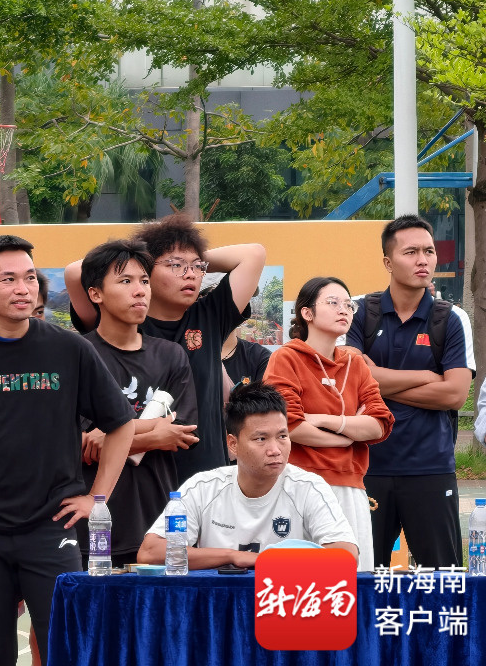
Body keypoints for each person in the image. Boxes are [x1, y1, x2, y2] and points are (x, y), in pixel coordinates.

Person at [0, 235, 136, 666]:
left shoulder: (69, 349)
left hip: (51, 527)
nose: (23, 289)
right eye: (8, 279)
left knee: (65, 648)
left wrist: (97, 498)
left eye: (29, 278)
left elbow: (121, 422)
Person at [66, 215, 265, 483]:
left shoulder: (210, 315)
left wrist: (187, 256)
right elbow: (74, 272)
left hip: (204, 476)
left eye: (197, 266)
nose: (190, 274)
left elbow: (254, 254)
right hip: (132, 478)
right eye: (175, 265)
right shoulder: (123, 320)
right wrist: (141, 258)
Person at [346, 215, 474, 568]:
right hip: (364, 468)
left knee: (442, 579)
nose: (423, 260)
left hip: (430, 467)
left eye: (429, 251)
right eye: (411, 252)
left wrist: (375, 384)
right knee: (361, 577)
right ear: (388, 262)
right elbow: (350, 381)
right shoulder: (357, 311)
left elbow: (454, 396)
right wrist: (427, 377)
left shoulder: (452, 319)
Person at [74, 239, 199, 567]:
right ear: (95, 293)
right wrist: (154, 433)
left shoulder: (170, 355)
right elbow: (83, 444)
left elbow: (181, 432)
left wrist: (112, 436)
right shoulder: (77, 354)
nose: (140, 290)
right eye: (126, 281)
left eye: (144, 281)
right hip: (92, 517)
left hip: (155, 519)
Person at [137, 382, 359, 568]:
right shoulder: (203, 487)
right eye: (261, 439)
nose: (275, 449)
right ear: (233, 444)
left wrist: (268, 561)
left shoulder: (309, 487)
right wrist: (233, 556)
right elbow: (150, 553)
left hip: (282, 601)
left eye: (282, 436)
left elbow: (345, 556)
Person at [263, 276, 393, 571]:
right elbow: (290, 426)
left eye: (348, 305)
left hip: (350, 485)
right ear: (307, 313)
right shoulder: (286, 358)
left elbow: (379, 423)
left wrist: (323, 419)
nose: (343, 310)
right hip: (298, 483)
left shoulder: (355, 364)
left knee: (353, 578)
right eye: (333, 303)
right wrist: (348, 434)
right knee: (299, 579)